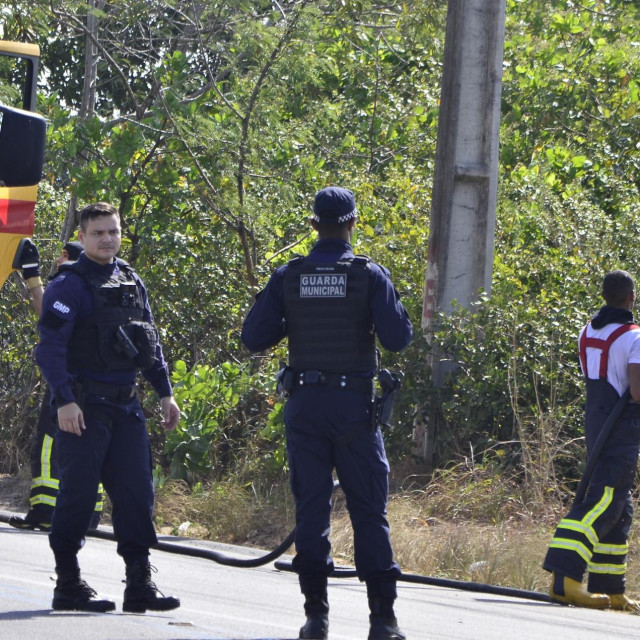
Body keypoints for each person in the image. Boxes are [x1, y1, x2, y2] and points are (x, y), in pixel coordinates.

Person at [241, 186, 413, 640]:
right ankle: (383, 622)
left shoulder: (290, 275)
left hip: (307, 409)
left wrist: (291, 317)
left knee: (311, 512)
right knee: (369, 512)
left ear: (313, 225)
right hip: (354, 409)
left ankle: (316, 618)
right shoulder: (368, 275)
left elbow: (254, 337)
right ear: (353, 223)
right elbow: (398, 338)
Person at [35, 202, 181, 613]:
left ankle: (139, 585)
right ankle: (68, 585)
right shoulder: (69, 285)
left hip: (125, 406)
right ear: (81, 237)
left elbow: (149, 346)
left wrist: (165, 393)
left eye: (113, 232)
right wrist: (64, 401)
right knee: (78, 497)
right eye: (98, 233)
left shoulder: (131, 280)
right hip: (83, 407)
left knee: (136, 496)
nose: (107, 239)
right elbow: (49, 351)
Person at [543, 269, 640, 611]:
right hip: (620, 425)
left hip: (597, 420)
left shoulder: (588, 330)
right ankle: (564, 577)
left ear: (604, 296)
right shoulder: (634, 336)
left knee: (620, 506)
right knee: (605, 500)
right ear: (631, 297)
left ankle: (609, 587)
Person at [10, 241, 104, 532]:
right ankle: (88, 512)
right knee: (89, 445)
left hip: (68, 381)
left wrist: (32, 275)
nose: (58, 259)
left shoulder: (69, 285)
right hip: (98, 384)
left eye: (62, 255)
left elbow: (46, 317)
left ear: (69, 258)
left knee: (49, 445)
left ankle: (45, 509)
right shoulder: (100, 285)